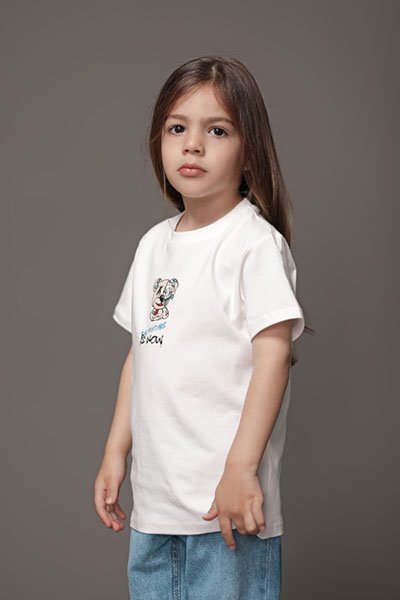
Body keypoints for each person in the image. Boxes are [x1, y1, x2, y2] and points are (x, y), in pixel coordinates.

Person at [94, 55, 312, 600]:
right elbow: (142, 352)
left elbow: (273, 356)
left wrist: (242, 468)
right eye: (177, 129)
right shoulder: (153, 245)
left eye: (216, 130)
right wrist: (116, 451)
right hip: (156, 508)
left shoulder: (253, 244)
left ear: (248, 149)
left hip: (227, 508)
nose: (192, 145)